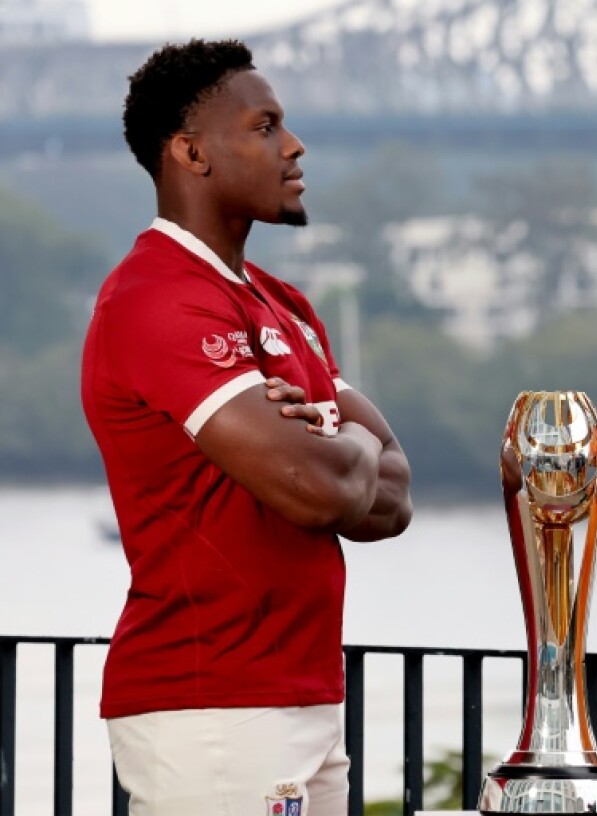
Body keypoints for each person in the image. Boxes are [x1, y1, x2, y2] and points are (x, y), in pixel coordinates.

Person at [80, 39, 412, 814]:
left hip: (303, 693)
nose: (293, 146)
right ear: (190, 152)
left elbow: (392, 498)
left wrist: (336, 449)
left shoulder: (281, 304)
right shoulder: (157, 297)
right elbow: (323, 490)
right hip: (214, 709)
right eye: (264, 127)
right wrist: (347, 446)